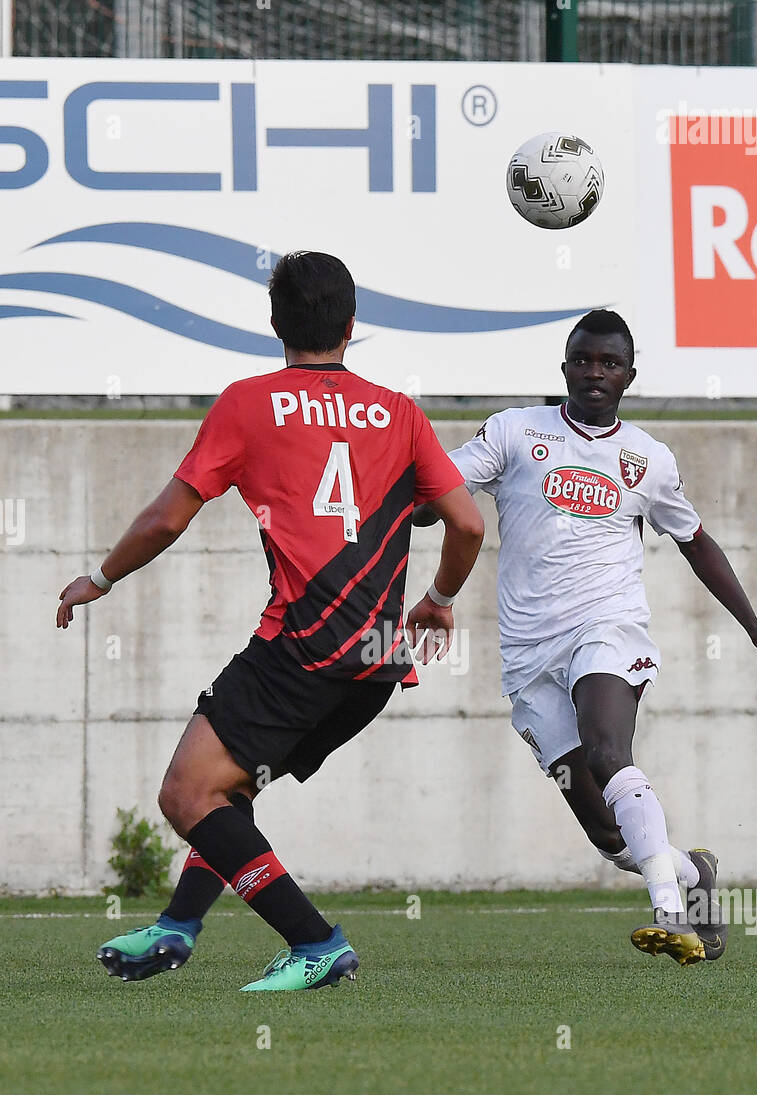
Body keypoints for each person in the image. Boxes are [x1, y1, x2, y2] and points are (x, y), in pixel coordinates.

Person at [57, 251, 484, 992]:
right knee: (232, 790)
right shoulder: (401, 413)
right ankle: (178, 927)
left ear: (274, 323)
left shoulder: (249, 403)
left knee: (186, 796)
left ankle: (316, 943)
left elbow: (166, 518)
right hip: (377, 662)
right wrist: (440, 598)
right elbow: (469, 525)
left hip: (304, 648)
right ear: (353, 326)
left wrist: (100, 577)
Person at [415, 309, 757, 965]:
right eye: (584, 360)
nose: (595, 373)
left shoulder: (649, 460)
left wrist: (753, 624)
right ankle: (691, 874)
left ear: (629, 375)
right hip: (530, 654)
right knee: (610, 837)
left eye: (609, 363)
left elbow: (695, 541)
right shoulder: (514, 432)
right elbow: (440, 489)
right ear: (565, 367)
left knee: (606, 748)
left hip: (608, 628)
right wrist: (420, 505)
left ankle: (670, 914)